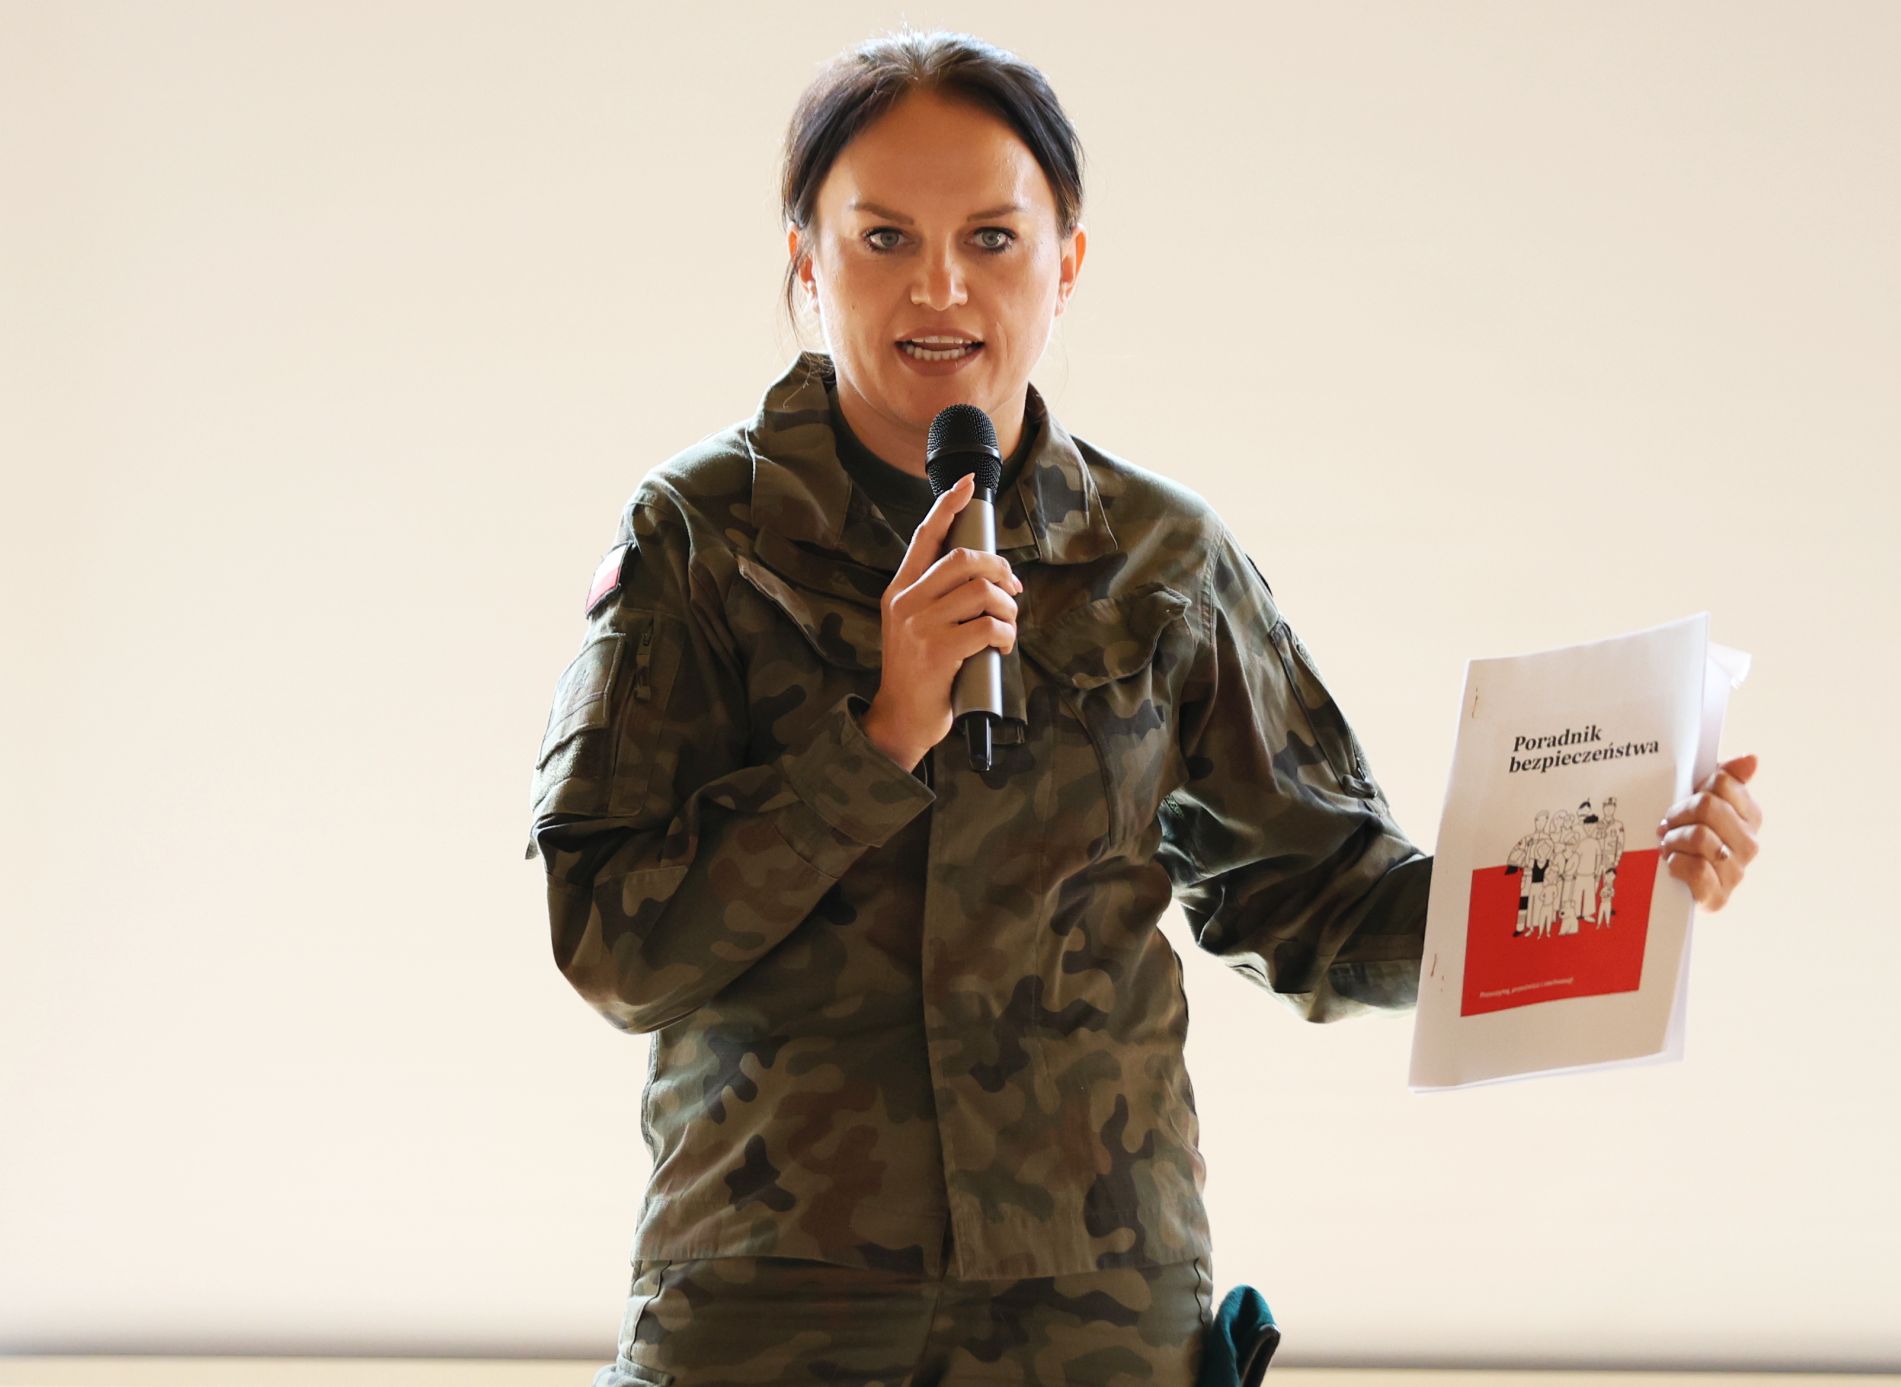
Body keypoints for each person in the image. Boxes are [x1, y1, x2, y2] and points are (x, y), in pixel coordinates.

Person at [524, 27, 1766, 1387]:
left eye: (992, 238)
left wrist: (1612, 880)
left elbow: (1318, 901)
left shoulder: (1160, 560)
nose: (940, 286)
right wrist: (879, 738)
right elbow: (615, 947)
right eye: (883, 239)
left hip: (1099, 1305)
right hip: (773, 1304)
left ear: (1067, 261)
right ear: (806, 260)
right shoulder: (701, 538)